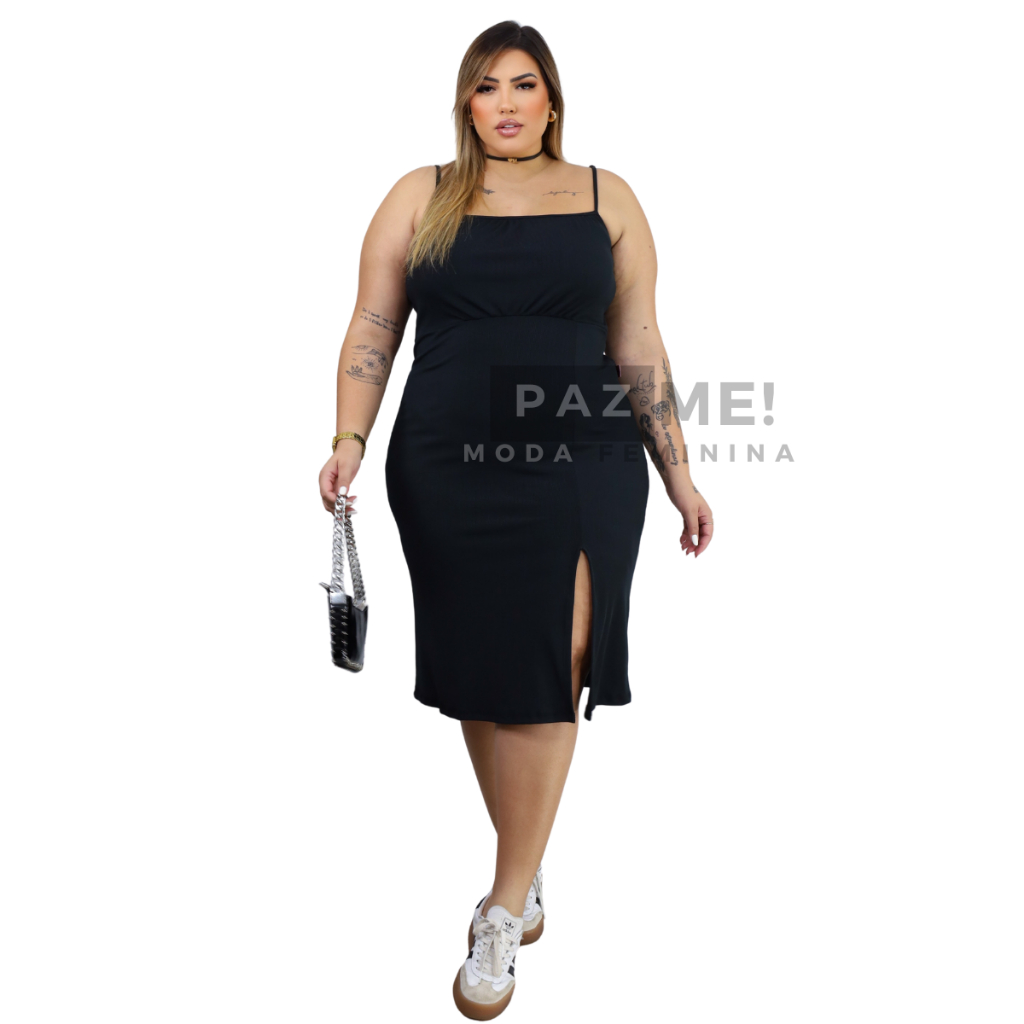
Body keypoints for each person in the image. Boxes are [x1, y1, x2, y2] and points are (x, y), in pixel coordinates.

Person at [318, 20, 714, 1019]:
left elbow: (639, 339)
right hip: (446, 455)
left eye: (524, 84)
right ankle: (525, 868)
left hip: (584, 452)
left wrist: (679, 474)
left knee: (558, 654)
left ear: (551, 100)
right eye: (487, 85)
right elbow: (373, 325)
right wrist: (350, 438)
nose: (505, 102)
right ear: (466, 101)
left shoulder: (607, 197)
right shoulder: (421, 195)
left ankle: (501, 906)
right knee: (482, 667)